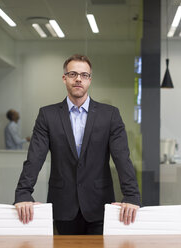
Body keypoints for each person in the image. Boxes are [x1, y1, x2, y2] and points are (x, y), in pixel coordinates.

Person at [14, 54, 140, 235]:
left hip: (100, 205)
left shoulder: (110, 115)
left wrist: (131, 195)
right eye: (73, 74)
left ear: (90, 80)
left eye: (84, 75)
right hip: (63, 205)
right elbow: (34, 158)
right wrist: (23, 193)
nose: (78, 79)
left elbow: (122, 158)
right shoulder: (47, 115)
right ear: (64, 78)